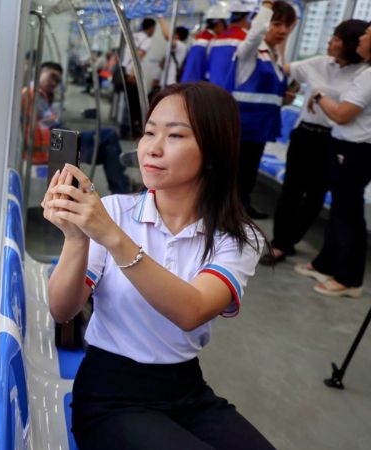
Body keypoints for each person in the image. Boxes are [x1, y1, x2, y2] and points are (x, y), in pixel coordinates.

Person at [43, 82, 270, 449]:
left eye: (176, 135)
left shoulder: (238, 237)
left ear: (214, 152)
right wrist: (77, 238)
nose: (153, 148)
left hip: (187, 391)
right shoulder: (114, 210)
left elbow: (191, 310)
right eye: (149, 132)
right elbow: (62, 309)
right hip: (110, 394)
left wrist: (113, 237)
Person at [261, 20, 368, 266]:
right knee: (291, 190)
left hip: (333, 140)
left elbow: (345, 112)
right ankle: (279, 243)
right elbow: (284, 70)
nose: (331, 42)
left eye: (338, 38)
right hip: (305, 135)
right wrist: (290, 89)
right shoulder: (318, 63)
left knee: (315, 196)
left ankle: (290, 240)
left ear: (351, 44)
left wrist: (319, 95)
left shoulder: (363, 73)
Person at [294, 23, 371, 297]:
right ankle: (327, 263)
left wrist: (318, 94)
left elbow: (341, 115)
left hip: (355, 149)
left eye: (367, 33)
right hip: (346, 146)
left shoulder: (367, 76)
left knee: (348, 212)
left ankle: (349, 279)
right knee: (340, 209)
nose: (363, 37)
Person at [231, 0, 297, 219]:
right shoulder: (251, 52)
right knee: (236, 176)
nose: (283, 31)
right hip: (242, 126)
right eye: (276, 24)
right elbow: (255, 33)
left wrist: (284, 99)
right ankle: (230, 215)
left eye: (287, 26)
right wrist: (267, 5)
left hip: (261, 128)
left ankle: (242, 208)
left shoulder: (274, 56)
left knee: (248, 176)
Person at [23, 62, 131, 194]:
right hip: (55, 147)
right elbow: (51, 122)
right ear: (40, 72)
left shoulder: (41, 95)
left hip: (57, 142)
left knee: (107, 151)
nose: (54, 83)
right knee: (109, 136)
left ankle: (121, 188)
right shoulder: (32, 94)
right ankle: (122, 189)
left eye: (57, 81)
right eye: (52, 76)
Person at [121, 18, 157, 139]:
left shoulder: (134, 36)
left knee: (128, 103)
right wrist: (133, 74)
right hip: (131, 73)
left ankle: (126, 129)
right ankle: (132, 131)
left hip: (124, 70)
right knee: (135, 105)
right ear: (151, 28)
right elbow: (139, 56)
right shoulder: (147, 40)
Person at [207, 0, 255, 89]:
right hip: (233, 95)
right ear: (248, 17)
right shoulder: (247, 39)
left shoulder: (215, 40)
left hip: (212, 93)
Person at [180, 1, 230, 83]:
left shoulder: (198, 38)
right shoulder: (213, 41)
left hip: (188, 82)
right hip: (199, 85)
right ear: (219, 24)